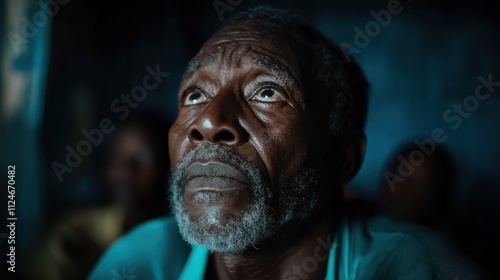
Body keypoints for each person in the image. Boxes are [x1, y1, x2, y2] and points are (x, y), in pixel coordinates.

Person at [89, 7, 487, 280]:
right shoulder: (137, 262)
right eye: (194, 95)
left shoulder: (415, 268)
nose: (208, 122)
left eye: (266, 93)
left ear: (340, 159)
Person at [26, 114, 171, 280]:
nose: (125, 171)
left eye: (142, 158)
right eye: (115, 157)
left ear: (167, 165)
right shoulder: (73, 236)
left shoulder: (183, 244)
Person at [379, 142, 457, 228]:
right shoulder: (365, 217)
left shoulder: (428, 239)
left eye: (421, 189)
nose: (404, 191)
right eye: (400, 176)